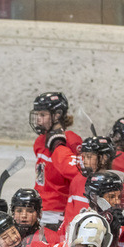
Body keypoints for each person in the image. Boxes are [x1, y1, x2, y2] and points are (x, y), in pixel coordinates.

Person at [30, 92, 82, 230]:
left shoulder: (72, 140)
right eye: (37, 115)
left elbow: (78, 175)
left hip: (58, 212)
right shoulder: (40, 140)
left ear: (57, 115)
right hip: (39, 208)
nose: (38, 120)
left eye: (43, 115)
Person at [61, 135, 116, 231]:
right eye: (83, 157)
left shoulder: (116, 185)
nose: (84, 161)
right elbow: (69, 216)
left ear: (104, 158)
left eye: (89, 157)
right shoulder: (78, 180)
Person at [84, 170, 124, 247]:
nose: (117, 201)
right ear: (94, 197)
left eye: (118, 197)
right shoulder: (84, 222)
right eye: (111, 197)